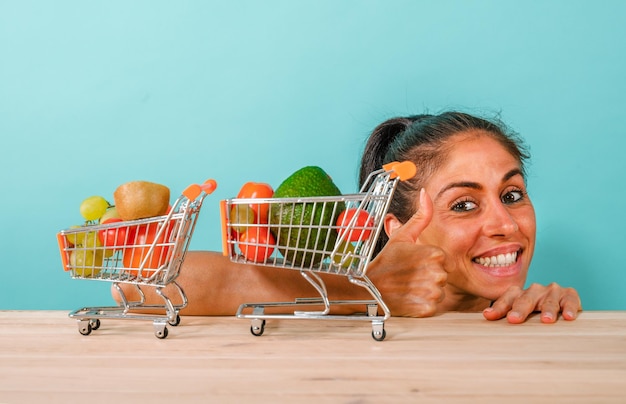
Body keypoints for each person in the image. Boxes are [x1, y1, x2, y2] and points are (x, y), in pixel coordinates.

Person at [113, 111, 581, 323]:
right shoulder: (353, 317)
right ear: (398, 230)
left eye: (513, 194)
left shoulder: (529, 316)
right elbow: (133, 283)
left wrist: (546, 313)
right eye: (463, 204)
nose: (506, 223)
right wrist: (366, 292)